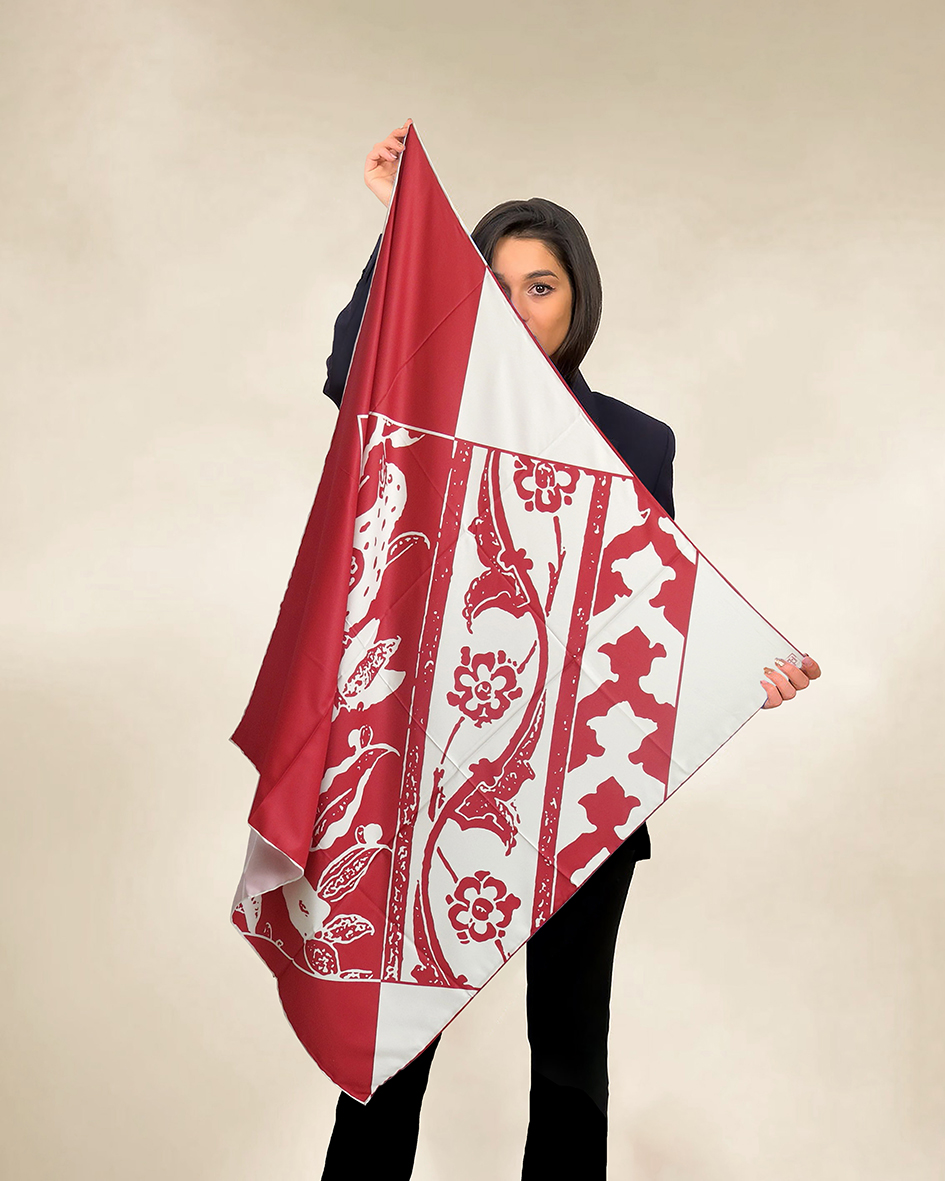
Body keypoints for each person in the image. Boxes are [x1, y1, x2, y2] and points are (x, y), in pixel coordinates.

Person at [318, 123, 821, 1180]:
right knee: (392, 1044)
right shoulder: (433, 407)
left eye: (540, 286)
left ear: (577, 299)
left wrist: (748, 671)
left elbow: (649, 611)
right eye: (494, 287)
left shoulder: (640, 440)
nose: (517, 307)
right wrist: (404, 229)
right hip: (440, 771)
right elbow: (351, 372)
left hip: (584, 785)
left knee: (569, 1053)